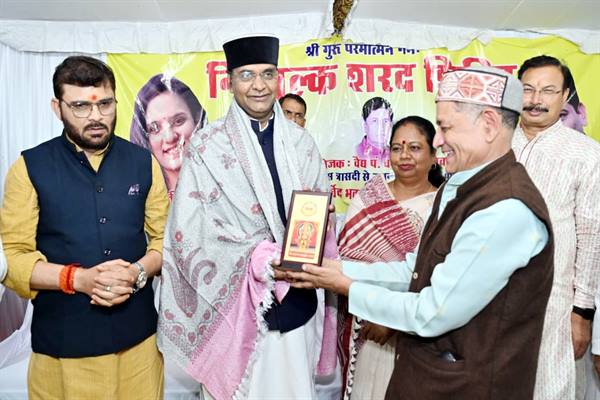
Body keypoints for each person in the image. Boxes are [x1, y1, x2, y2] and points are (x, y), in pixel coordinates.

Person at [284, 66, 555, 399]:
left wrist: (347, 287)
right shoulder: (459, 188)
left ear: (488, 124)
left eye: (445, 127)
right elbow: (414, 270)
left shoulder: (505, 208)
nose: (438, 141)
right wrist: (340, 270)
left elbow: (431, 313)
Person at [157, 35, 336, 400]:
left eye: (268, 74)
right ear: (230, 82)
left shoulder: (301, 143)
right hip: (235, 310)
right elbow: (190, 232)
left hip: (297, 302)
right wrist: (259, 258)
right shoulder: (207, 146)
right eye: (247, 75)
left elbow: (319, 212)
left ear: (278, 78)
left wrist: (322, 220)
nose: (259, 85)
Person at [0, 56, 169, 399]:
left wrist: (137, 272)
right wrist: (77, 279)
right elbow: (11, 258)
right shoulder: (30, 167)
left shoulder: (143, 163)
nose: (95, 116)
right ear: (57, 107)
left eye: (105, 104)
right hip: (64, 348)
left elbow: (165, 240)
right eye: (80, 106)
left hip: (139, 345)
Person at [337, 115, 444, 399]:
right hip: (365, 324)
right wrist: (374, 311)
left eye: (415, 148)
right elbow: (349, 261)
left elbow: (438, 274)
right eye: (397, 148)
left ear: (434, 155)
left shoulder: (443, 206)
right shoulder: (369, 198)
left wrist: (393, 320)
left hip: (415, 331)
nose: (404, 156)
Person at [513, 55, 600, 400]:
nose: (536, 99)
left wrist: (582, 312)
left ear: (565, 97)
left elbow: (591, 236)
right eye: (528, 89)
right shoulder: (493, 145)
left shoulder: (587, 154)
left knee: (550, 389)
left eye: (548, 90)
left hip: (556, 305)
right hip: (488, 300)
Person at [130, 74, 207, 199]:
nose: (170, 137)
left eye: (178, 121)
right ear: (145, 138)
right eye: (154, 128)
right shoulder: (135, 197)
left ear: (197, 121)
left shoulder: (225, 183)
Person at [355, 97, 393, 162]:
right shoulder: (353, 153)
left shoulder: (394, 155)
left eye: (385, 121)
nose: (381, 127)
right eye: (375, 121)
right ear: (364, 125)